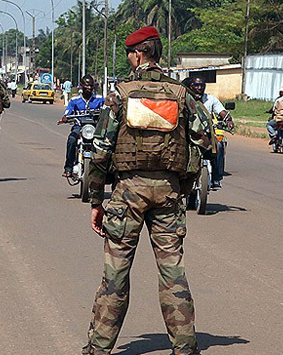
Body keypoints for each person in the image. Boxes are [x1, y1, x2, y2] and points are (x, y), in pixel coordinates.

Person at [82, 27, 212, 355]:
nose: (129, 59)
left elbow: (100, 148)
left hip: (127, 194)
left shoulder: (119, 94)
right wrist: (184, 180)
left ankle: (99, 348)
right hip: (168, 193)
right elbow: (204, 139)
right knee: (173, 271)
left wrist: (96, 198)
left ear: (139, 54)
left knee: (116, 274)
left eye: (129, 54)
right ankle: (185, 347)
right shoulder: (182, 94)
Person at [187, 76, 234, 188]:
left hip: (206, 134)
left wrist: (228, 120)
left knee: (220, 147)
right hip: (189, 133)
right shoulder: (186, 98)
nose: (199, 88)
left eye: (202, 85)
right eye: (196, 85)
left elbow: (222, 111)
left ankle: (216, 178)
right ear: (191, 86)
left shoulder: (211, 99)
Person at [61, 74, 104, 177]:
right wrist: (66, 117)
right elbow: (67, 112)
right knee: (71, 140)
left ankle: (105, 170)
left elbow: (106, 111)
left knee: (107, 144)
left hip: (95, 128)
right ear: (81, 86)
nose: (89, 88)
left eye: (91, 86)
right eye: (86, 85)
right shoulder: (74, 100)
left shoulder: (99, 99)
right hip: (79, 127)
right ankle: (68, 167)